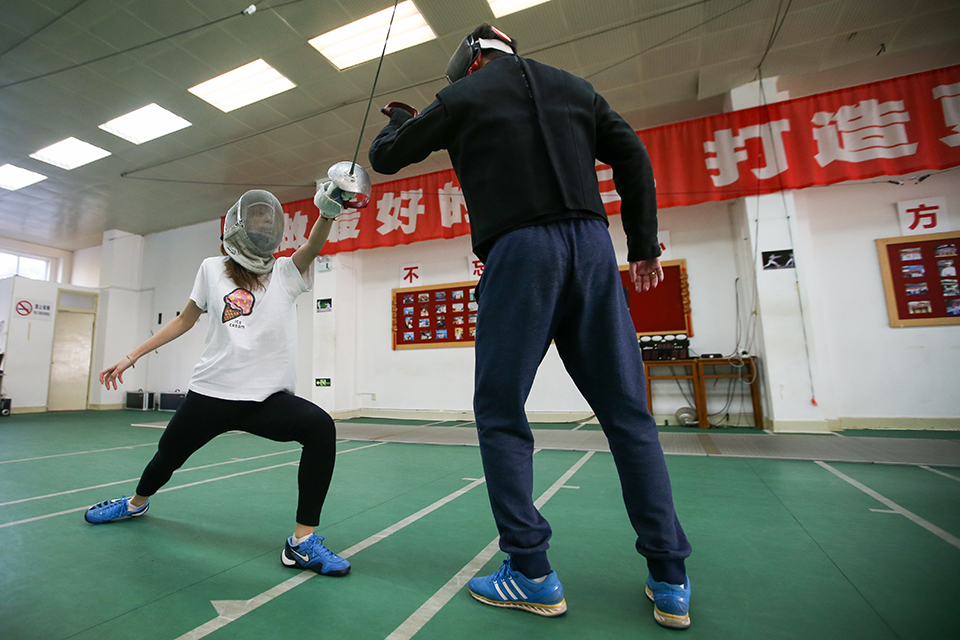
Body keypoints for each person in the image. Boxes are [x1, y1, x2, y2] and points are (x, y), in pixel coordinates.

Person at [369, 25, 693, 629]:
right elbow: (632, 152)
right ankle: (671, 578)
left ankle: (532, 573)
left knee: (501, 413)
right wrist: (643, 241)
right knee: (628, 415)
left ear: (469, 61)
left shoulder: (463, 98)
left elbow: (386, 157)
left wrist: (398, 121)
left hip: (521, 254)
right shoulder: (577, 88)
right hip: (593, 249)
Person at [87, 185, 353, 577]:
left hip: (266, 400)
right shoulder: (211, 269)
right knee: (167, 456)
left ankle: (300, 543)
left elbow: (311, 247)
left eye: (268, 222)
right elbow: (183, 321)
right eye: (256, 221)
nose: (262, 226)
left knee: (319, 428)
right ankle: (135, 503)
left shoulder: (285, 272)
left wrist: (327, 212)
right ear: (236, 228)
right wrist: (131, 357)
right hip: (212, 393)